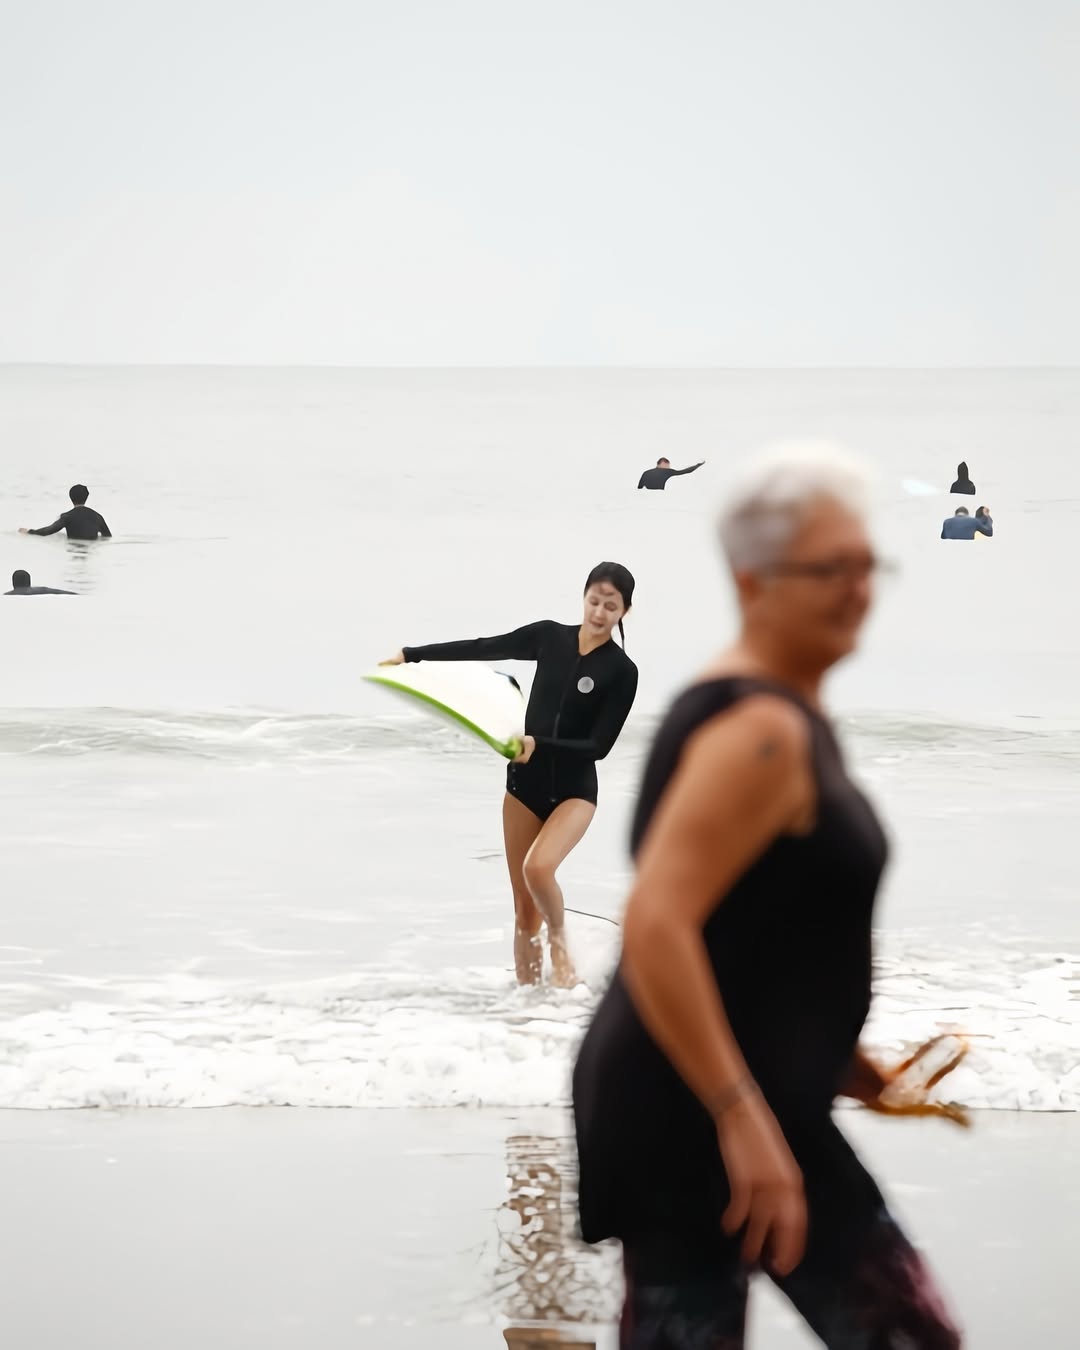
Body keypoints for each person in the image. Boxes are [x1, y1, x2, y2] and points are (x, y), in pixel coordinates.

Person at [572, 446, 963, 1348]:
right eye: (831, 568)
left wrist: (847, 1062)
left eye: (868, 564)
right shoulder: (761, 732)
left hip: (745, 1093)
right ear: (752, 580)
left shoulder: (771, 711)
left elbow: (746, 934)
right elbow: (659, 923)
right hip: (696, 1113)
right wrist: (739, 1115)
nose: (858, 588)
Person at [381, 562, 638, 988]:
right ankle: (527, 1010)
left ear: (625, 611)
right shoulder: (549, 637)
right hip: (524, 787)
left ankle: (560, 943)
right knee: (523, 911)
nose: (599, 612)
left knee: (538, 869)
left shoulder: (621, 671)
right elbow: (485, 647)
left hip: (575, 792)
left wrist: (541, 744)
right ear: (584, 597)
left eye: (610, 606)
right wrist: (412, 654)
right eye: (594, 601)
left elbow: (600, 747)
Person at [19, 484, 112, 540]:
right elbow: (107, 537)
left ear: (70, 497)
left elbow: (48, 531)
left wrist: (30, 532)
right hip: (91, 549)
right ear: (87, 497)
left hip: (73, 548)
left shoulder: (67, 517)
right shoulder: (97, 516)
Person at [637, 457, 705, 491]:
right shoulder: (667, 471)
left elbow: (639, 488)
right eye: (667, 465)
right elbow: (685, 471)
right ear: (661, 464)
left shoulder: (646, 472)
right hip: (660, 497)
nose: (668, 467)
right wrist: (698, 465)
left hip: (649, 499)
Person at [4, 569, 76, 596]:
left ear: (13, 582)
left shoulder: (7, 595)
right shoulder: (42, 589)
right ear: (29, 581)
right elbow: (59, 592)